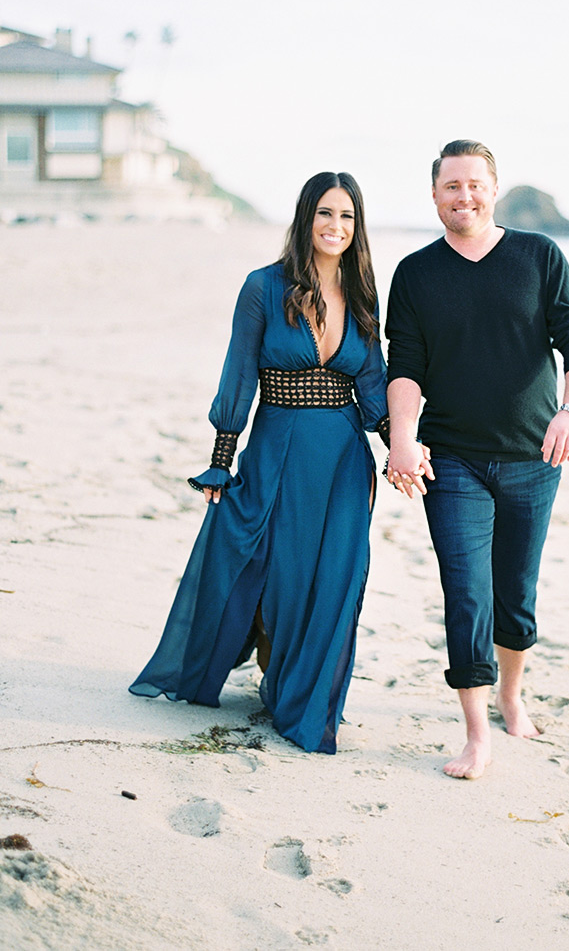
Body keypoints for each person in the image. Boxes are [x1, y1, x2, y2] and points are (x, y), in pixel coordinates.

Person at [129, 171, 390, 754]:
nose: (336, 227)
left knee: (331, 580)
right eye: (325, 213)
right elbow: (239, 374)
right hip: (276, 446)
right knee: (257, 558)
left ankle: (302, 698)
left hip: (344, 458)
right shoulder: (263, 287)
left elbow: (373, 389)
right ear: (305, 218)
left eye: (347, 217)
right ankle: (246, 670)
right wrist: (222, 458)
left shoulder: (364, 293)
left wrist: (402, 444)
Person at [385, 140, 569, 779]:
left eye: (474, 184)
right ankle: (476, 733)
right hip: (453, 462)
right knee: (466, 594)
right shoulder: (416, 273)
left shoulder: (538, 256)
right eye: (451, 186)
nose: (464, 196)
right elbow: (406, 368)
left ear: (493, 187)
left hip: (535, 457)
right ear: (434, 194)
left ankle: (511, 693)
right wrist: (400, 438)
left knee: (516, 591)